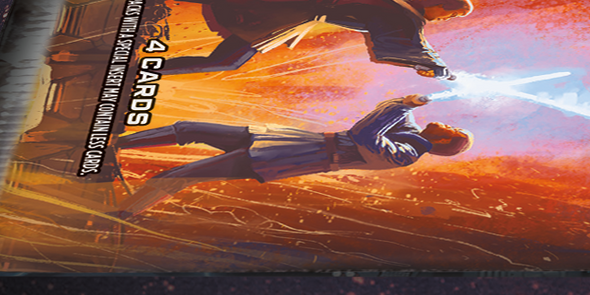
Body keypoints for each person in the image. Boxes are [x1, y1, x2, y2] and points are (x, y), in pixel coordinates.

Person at [110, 95, 471, 216]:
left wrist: (402, 106)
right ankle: (114, 144)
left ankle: (122, 215)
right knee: (189, 128)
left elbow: (364, 134)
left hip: (284, 157)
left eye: (450, 129)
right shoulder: (409, 133)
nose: (445, 123)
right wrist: (410, 101)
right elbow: (390, 109)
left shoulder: (406, 154)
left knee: (179, 176)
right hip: (280, 141)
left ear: (441, 142)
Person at [132, 0, 474, 80]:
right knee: (226, 60)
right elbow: (408, 43)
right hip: (288, 18)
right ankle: (140, 71)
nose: (444, 20)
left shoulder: (392, 4)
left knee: (233, 1)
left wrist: (428, 64)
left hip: (295, 10)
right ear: (438, 5)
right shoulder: (403, 15)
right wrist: (436, 68)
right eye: (450, 15)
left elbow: (407, 44)